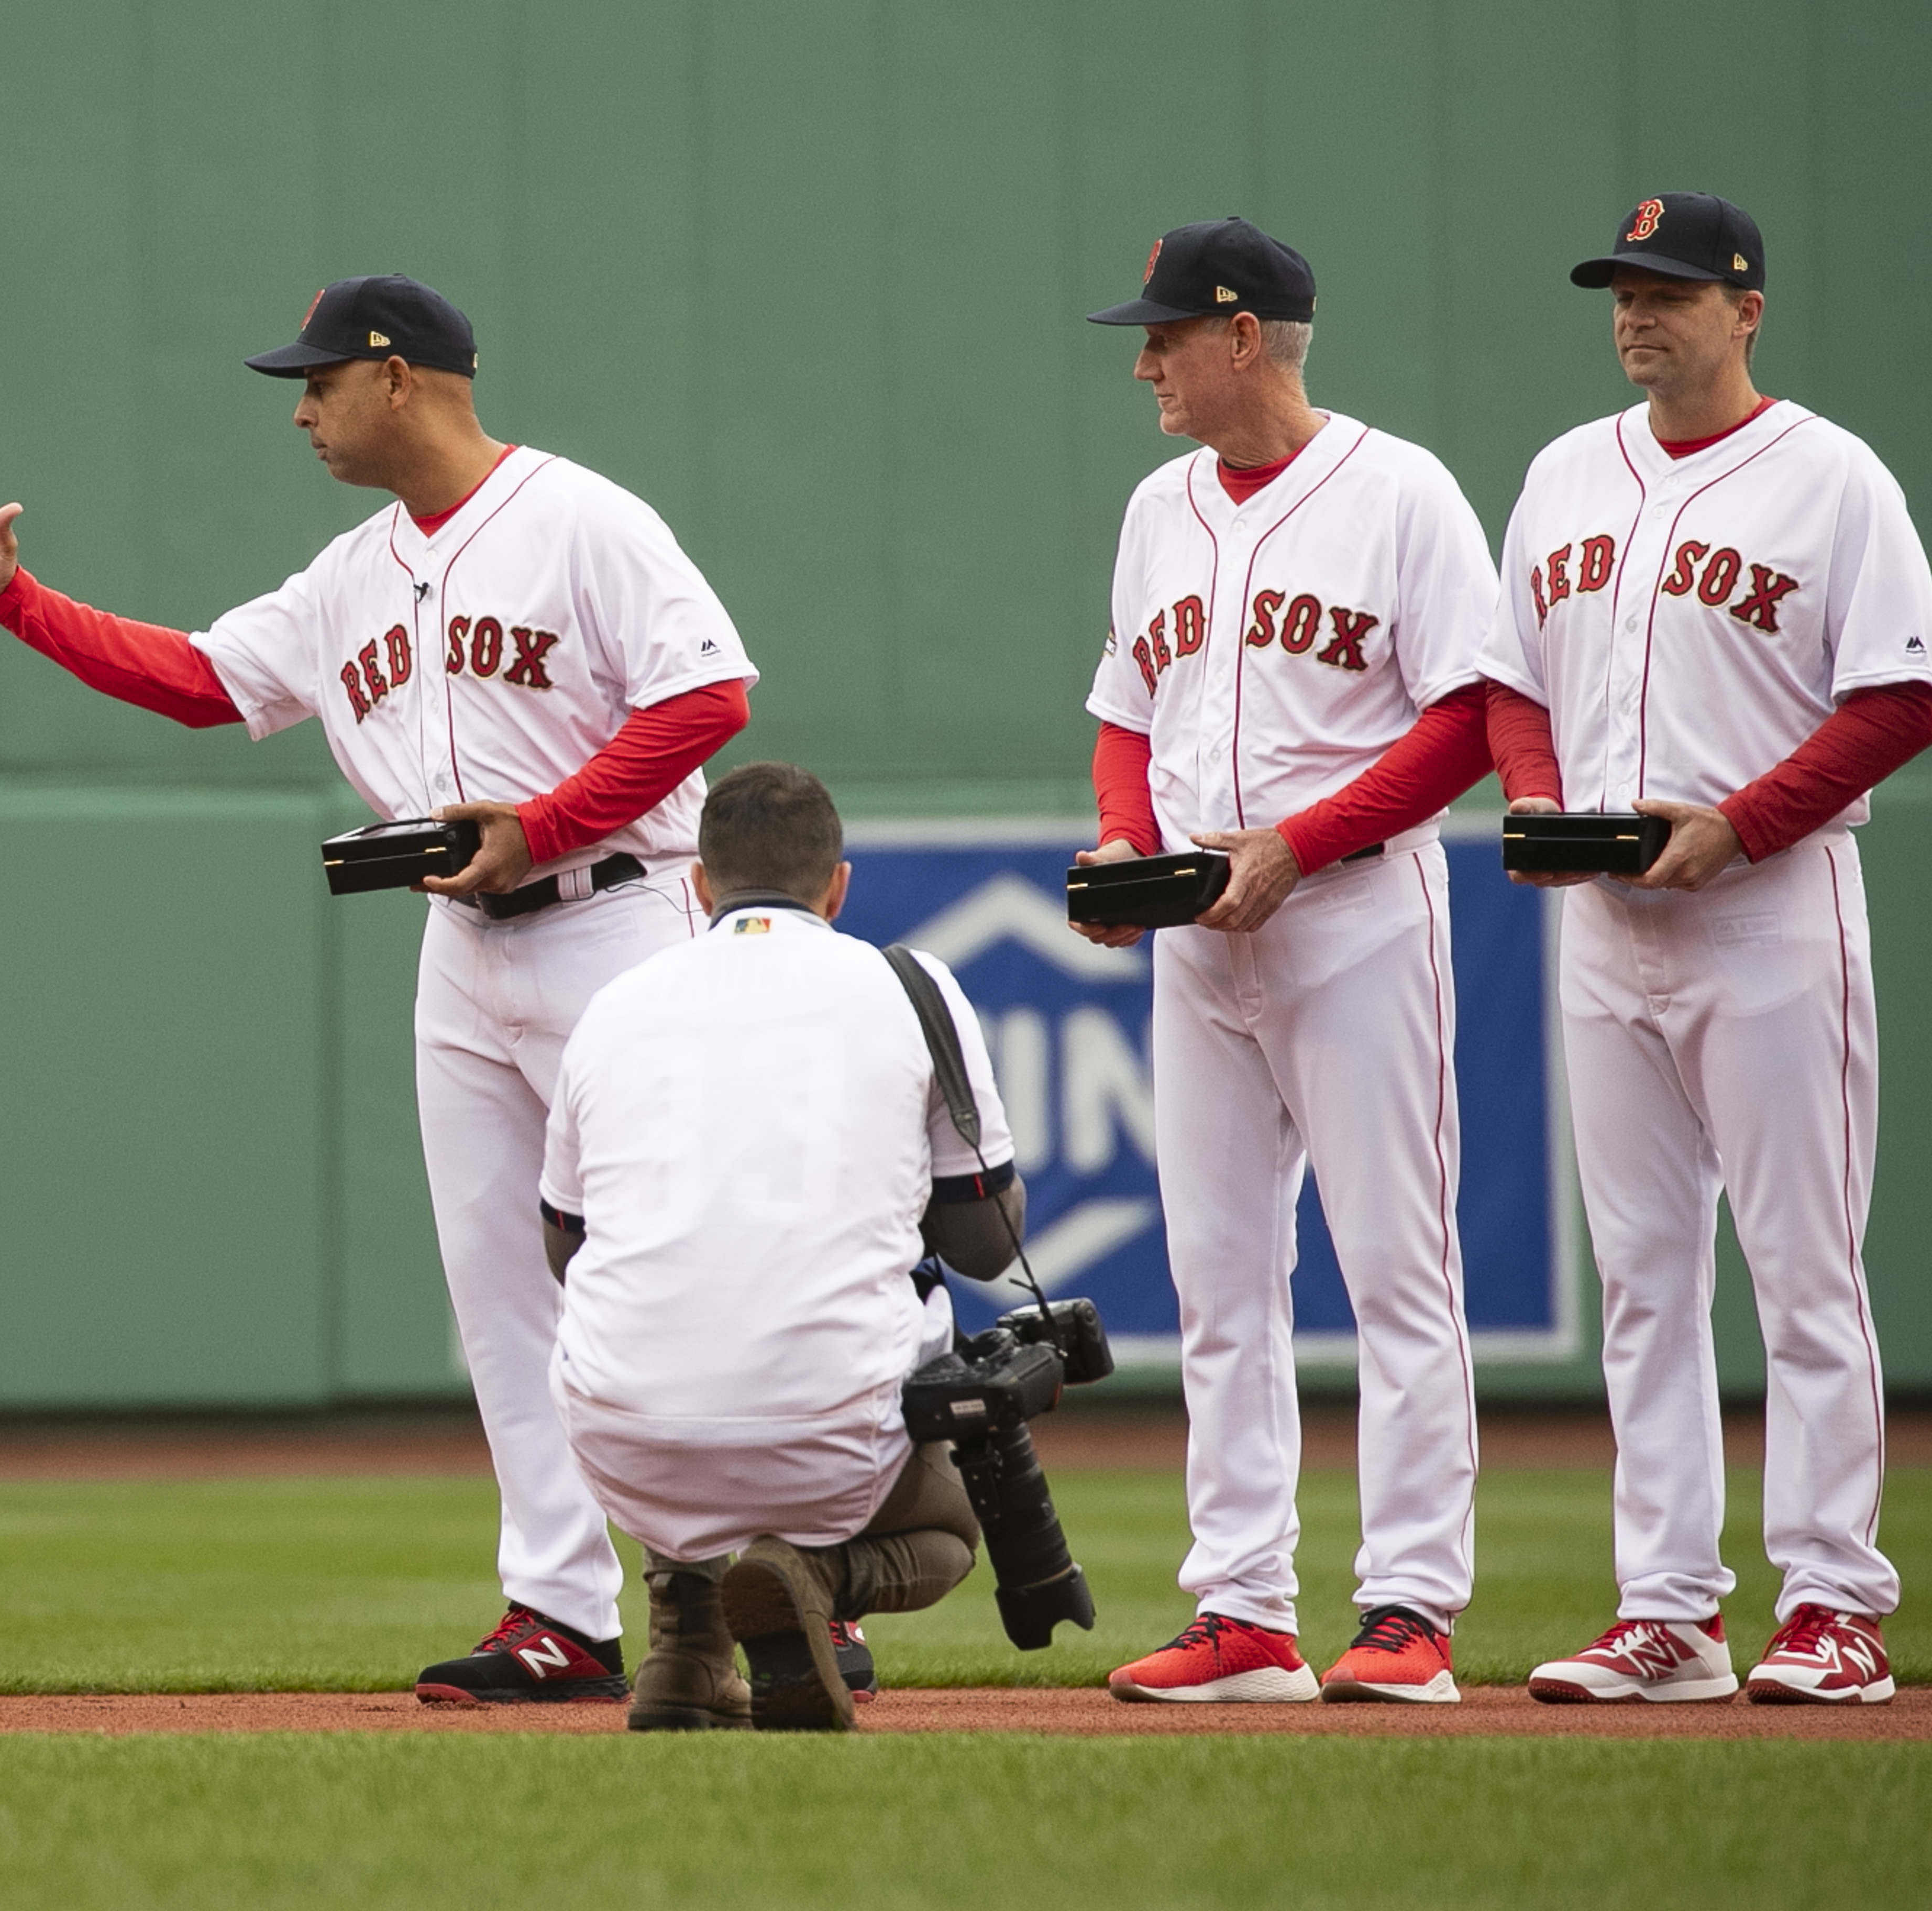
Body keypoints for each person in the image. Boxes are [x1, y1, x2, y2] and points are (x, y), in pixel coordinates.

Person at [0, 276, 761, 1703]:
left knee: (684, 1269)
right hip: (463, 951)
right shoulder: (353, 571)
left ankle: (793, 1583)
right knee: (499, 1298)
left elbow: (706, 701)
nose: (300, 409)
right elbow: (199, 681)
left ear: (397, 377)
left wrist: (542, 823)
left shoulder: (585, 521)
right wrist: (18, 601)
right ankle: (562, 1612)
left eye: (319, 381)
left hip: (620, 921)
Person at [1075, 219, 1522, 1705]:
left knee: (1397, 1267)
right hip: (1202, 937)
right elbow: (1125, 711)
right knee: (1219, 1282)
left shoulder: (1398, 493)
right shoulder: (1157, 506)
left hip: (1354, 922)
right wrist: (1132, 854)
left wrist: (1304, 844)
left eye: (1165, 335)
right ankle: (1246, 1614)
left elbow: (1464, 715)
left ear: (1245, 335)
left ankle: (1410, 1609)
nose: (1144, 360)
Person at [1486, 194, 1923, 1705]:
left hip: (1771, 913)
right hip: (1606, 927)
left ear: (1746, 309)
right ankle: (1667, 1610)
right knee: (1645, 1282)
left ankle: (1837, 1604)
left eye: (1670, 289)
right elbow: (1510, 685)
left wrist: (1739, 824)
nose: (1637, 311)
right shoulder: (1561, 474)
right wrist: (1541, 804)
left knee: (1805, 1273)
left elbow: (1896, 698)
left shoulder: (1832, 479)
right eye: (1621, 286)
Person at [539, 762, 1021, 1732]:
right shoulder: (910, 983)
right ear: (837, 885)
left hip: (622, 1440)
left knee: (670, 1324)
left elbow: (566, 1251)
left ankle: (683, 1652)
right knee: (952, 1528)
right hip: (828, 1435)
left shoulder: (615, 1004)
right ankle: (807, 1575)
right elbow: (986, 1241)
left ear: (700, 886)